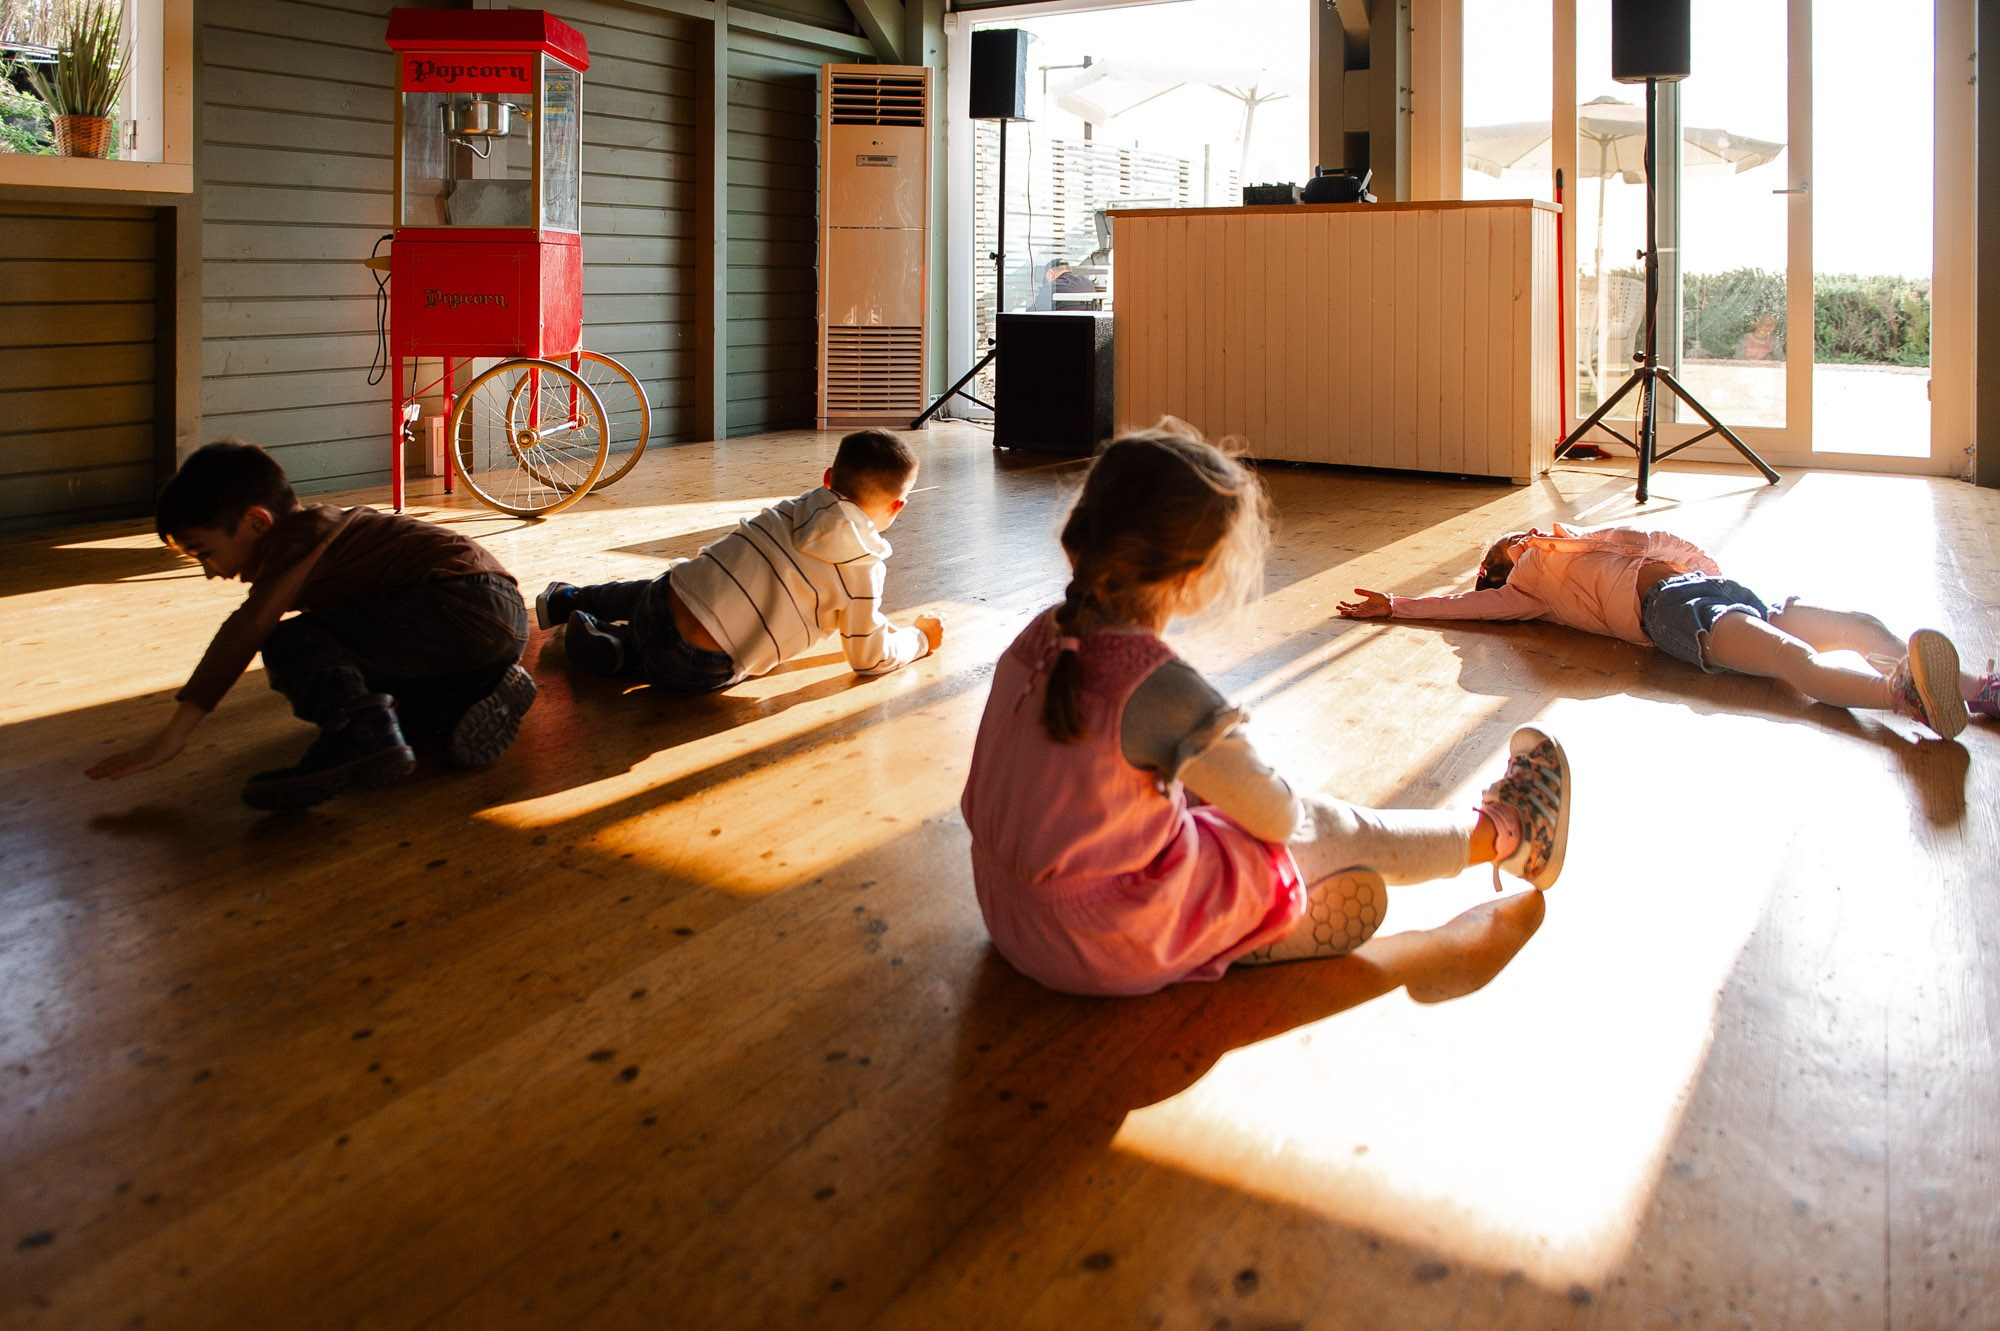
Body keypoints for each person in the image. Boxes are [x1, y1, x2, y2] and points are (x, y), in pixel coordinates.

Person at [959, 421, 1574, 999]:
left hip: (1013, 917)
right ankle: (1507, 836)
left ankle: (1247, 924)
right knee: (1326, 824)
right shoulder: (1157, 687)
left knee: (1210, 810)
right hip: (1103, 941)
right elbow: (1281, 817)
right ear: (1194, 572)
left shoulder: (1043, 635)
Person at [86, 438, 536, 810]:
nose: (209, 572)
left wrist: (175, 734)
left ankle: (357, 737)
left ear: (256, 522)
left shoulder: (298, 537)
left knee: (292, 642)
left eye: (205, 553)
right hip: (494, 620)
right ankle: (470, 698)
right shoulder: (319, 532)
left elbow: (247, 629)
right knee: (376, 693)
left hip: (462, 603)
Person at [1336, 523, 1995, 740]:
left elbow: (1655, 540)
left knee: (1858, 624)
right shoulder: (1527, 587)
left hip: (1711, 589)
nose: (1518, 535)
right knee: (1794, 663)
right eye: (1507, 543)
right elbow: (1467, 607)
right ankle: (1901, 696)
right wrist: (1397, 605)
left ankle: (1975, 689)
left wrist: (1704, 569)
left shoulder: (1575, 539)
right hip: (1672, 617)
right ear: (1501, 565)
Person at [536, 427, 944, 692]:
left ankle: (567, 600)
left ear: (826, 478)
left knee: (663, 587)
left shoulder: (795, 508)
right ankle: (622, 651)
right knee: (677, 658)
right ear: (897, 507)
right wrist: (919, 638)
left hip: (663, 599)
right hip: (698, 663)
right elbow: (868, 658)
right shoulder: (863, 567)